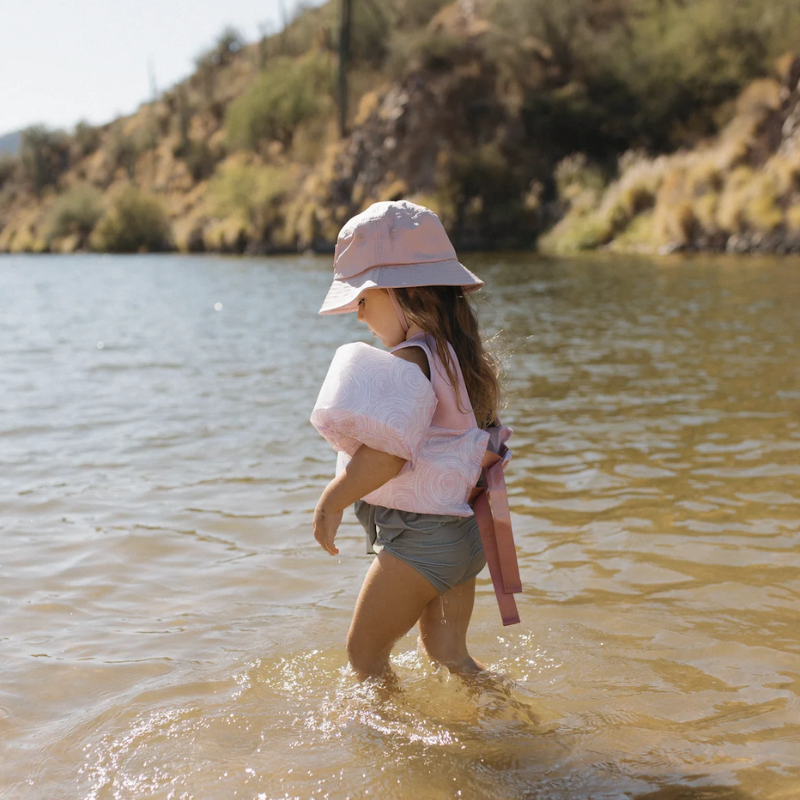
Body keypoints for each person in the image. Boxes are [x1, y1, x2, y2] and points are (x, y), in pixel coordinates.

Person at [311, 200, 511, 682]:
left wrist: (331, 502)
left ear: (407, 292)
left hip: (422, 541)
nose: (359, 316)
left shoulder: (410, 362)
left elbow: (386, 456)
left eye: (363, 299)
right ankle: (510, 716)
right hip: (464, 535)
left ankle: (390, 733)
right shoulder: (456, 356)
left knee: (364, 657)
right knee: (450, 656)